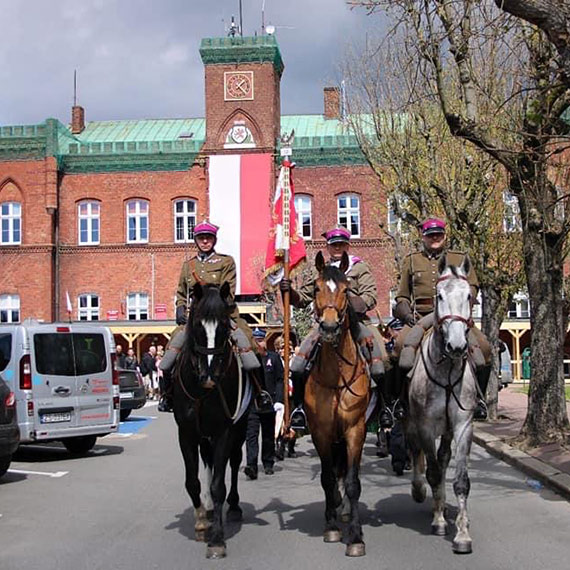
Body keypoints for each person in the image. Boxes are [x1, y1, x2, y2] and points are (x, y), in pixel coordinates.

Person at [280, 225, 388, 430]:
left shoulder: (359, 268)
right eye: (333, 244)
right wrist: (289, 292)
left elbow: (370, 296)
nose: (337, 247)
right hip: (325, 323)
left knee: (381, 358)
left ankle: (385, 408)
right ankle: (300, 409)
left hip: (356, 323)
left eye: (341, 244)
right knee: (298, 364)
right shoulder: (319, 270)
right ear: (328, 247)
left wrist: (350, 301)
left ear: (347, 245)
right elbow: (303, 298)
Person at [158, 220, 270, 412]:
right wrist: (180, 307)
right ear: (196, 240)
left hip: (224, 316)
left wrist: (218, 310)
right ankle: (167, 394)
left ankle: (261, 393)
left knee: (249, 345)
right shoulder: (188, 265)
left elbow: (228, 292)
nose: (205, 241)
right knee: (171, 350)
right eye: (201, 238)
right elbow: (181, 292)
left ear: (214, 240)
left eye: (208, 238)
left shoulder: (226, 262)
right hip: (196, 320)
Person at [393, 217, 491, 419]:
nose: (434, 238)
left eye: (438, 235)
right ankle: (398, 401)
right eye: (430, 235)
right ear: (423, 237)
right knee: (398, 347)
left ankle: (479, 400)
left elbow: (473, 286)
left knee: (484, 347)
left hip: (454, 317)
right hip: (421, 316)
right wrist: (405, 314)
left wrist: (463, 306)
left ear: (445, 236)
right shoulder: (411, 260)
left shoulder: (459, 258)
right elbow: (402, 295)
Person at [244, 328, 283, 480]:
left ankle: (268, 463)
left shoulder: (273, 358)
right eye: (256, 341)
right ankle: (251, 465)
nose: (259, 343)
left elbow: (280, 379)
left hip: (270, 402)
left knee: (268, 435)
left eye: (261, 340)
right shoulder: (251, 360)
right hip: (254, 403)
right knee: (251, 435)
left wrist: (279, 400)